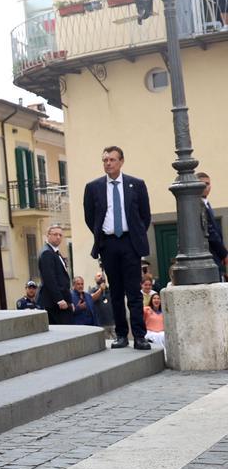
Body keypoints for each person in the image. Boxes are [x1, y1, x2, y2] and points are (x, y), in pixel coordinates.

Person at [84, 145, 152, 350]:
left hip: (130, 243)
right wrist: (102, 236)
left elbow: (145, 215)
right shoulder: (93, 187)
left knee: (134, 292)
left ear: (121, 161)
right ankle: (121, 335)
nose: (108, 163)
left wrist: (136, 235)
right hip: (108, 243)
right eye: (105, 160)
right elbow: (89, 218)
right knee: (115, 293)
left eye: (112, 160)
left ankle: (139, 336)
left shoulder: (136, 184)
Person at [37, 225, 72, 325]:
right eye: (55, 234)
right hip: (54, 303)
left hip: (61, 301)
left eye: (60, 235)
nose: (58, 237)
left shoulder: (55, 252)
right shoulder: (47, 253)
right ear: (48, 236)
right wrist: (59, 299)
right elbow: (50, 279)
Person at [198, 172, 228, 279]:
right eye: (204, 184)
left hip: (216, 255)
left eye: (208, 183)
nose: (207, 186)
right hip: (208, 254)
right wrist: (224, 253)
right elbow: (210, 231)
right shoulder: (198, 204)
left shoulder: (206, 203)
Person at [90, 271, 115, 339]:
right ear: (95, 279)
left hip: (113, 323)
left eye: (102, 276)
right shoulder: (92, 290)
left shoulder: (110, 289)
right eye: (99, 276)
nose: (101, 277)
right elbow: (92, 299)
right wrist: (101, 289)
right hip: (101, 324)